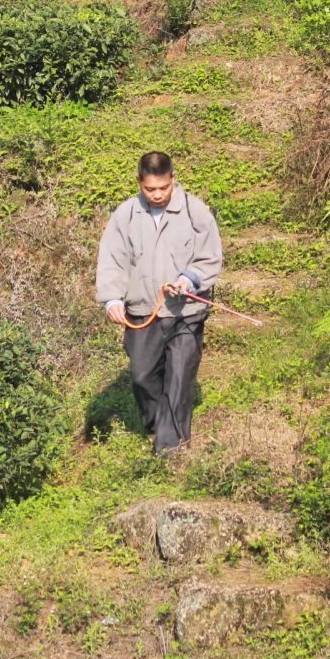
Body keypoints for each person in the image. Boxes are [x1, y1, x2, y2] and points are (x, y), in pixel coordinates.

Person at [95, 151, 223, 455]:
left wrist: (189, 279)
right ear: (140, 183)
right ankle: (156, 425)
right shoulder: (125, 215)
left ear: (172, 180)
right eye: (150, 189)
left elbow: (209, 256)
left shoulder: (195, 211)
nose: (157, 195)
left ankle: (171, 447)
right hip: (142, 310)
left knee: (179, 375)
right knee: (142, 376)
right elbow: (112, 260)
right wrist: (112, 298)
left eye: (163, 188)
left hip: (185, 311)